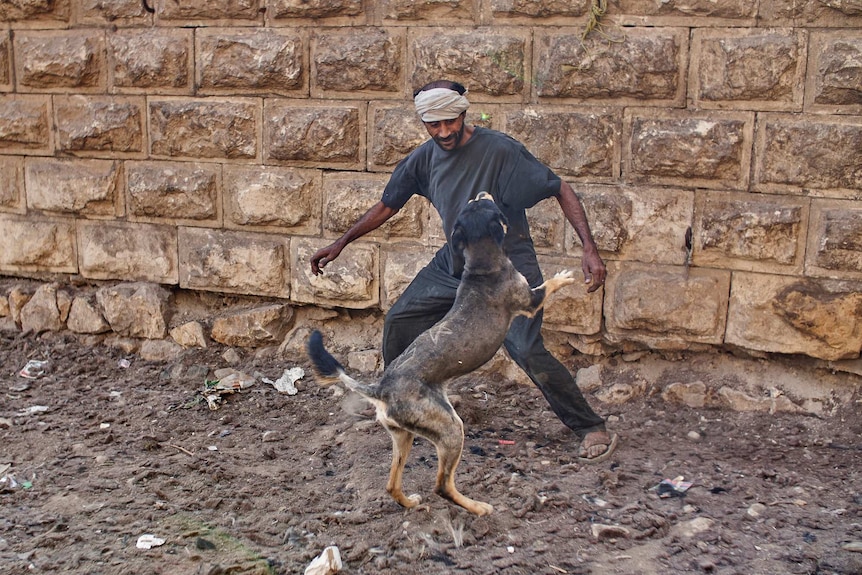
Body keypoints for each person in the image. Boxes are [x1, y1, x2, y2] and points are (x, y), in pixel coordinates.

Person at [310, 80, 618, 463]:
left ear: (464, 113)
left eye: (450, 122)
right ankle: (403, 406)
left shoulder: (500, 151)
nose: (443, 132)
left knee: (524, 348)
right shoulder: (424, 159)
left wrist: (589, 248)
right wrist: (341, 242)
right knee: (402, 318)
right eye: (433, 125)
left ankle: (590, 426)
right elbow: (388, 205)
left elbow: (560, 188)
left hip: (507, 267)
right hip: (455, 264)